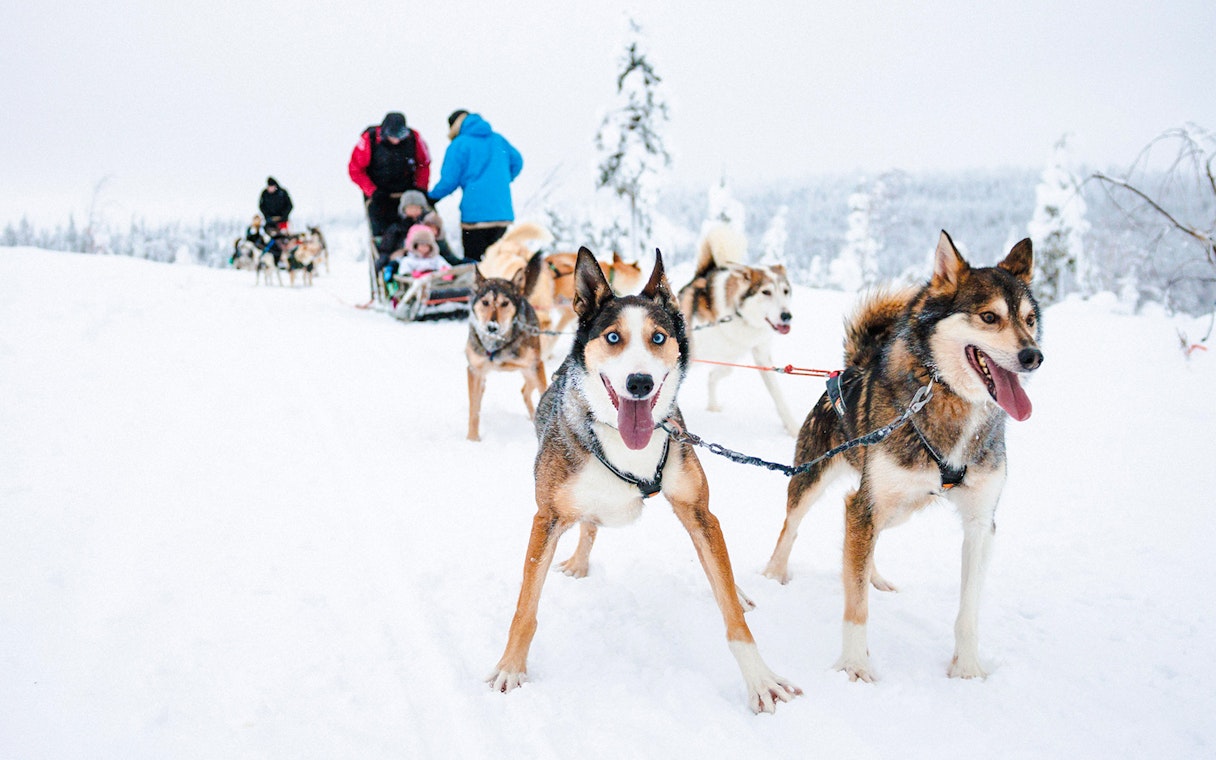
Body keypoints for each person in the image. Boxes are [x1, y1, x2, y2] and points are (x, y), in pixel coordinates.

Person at [427, 109, 523, 262]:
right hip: (502, 214)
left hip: (475, 216)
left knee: (473, 264)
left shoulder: (459, 144)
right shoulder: (498, 140)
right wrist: (502, 180)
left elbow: (449, 181)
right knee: (498, 262)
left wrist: (431, 198)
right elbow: (517, 161)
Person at [348, 112, 432, 238]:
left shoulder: (414, 138)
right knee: (383, 231)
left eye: (400, 136)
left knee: (414, 226)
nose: (396, 140)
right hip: (379, 194)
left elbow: (423, 164)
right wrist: (372, 191)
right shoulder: (369, 139)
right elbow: (355, 170)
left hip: (406, 192)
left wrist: (420, 187)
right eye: (393, 136)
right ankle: (384, 251)